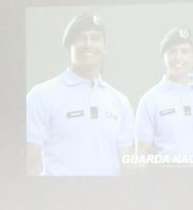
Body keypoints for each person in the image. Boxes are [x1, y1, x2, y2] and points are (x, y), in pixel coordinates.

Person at [25, 12, 134, 176]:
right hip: (60, 199)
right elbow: (26, 163)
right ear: (70, 45)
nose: (88, 44)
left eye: (95, 38)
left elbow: (127, 167)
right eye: (81, 38)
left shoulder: (120, 101)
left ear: (105, 47)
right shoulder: (41, 95)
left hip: (109, 199)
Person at [132, 26, 193, 163]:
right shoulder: (150, 99)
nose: (178, 57)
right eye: (172, 52)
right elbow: (141, 153)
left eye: (185, 52)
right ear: (163, 58)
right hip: (167, 181)